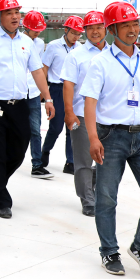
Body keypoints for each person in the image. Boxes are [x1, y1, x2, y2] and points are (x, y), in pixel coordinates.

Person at [81, 1, 140, 277]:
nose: (133, 30)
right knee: (107, 199)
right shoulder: (100, 62)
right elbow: (90, 102)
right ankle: (109, 251)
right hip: (111, 137)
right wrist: (93, 138)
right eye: (126, 25)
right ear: (112, 29)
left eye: (135, 24)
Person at [0, 0, 55, 219]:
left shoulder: (27, 42)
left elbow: (37, 72)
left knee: (19, 149)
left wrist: (48, 99)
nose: (15, 16)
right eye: (9, 13)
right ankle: (2, 199)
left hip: (20, 105)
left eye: (17, 12)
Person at [61, 11, 106, 216]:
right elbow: (68, 85)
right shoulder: (75, 55)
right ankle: (87, 199)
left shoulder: (113, 53)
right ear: (85, 30)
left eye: (99, 27)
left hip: (107, 116)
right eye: (90, 28)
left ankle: (92, 185)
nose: (95, 32)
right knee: (83, 160)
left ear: (106, 29)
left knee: (109, 159)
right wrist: (69, 112)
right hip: (81, 114)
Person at [40, 15, 84, 175]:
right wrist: (43, 93)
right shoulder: (53, 46)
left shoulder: (80, 48)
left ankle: (70, 162)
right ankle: (45, 151)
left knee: (73, 126)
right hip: (57, 89)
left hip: (74, 90)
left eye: (79, 34)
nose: (76, 37)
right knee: (56, 126)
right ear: (66, 30)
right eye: (73, 33)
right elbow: (44, 69)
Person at [21, 10, 50, 178]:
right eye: (35, 30)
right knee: (14, 130)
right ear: (26, 27)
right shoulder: (17, 41)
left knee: (35, 130)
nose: (37, 33)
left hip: (33, 92)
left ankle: (37, 165)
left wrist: (44, 92)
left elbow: (40, 69)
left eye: (40, 30)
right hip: (17, 93)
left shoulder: (39, 44)